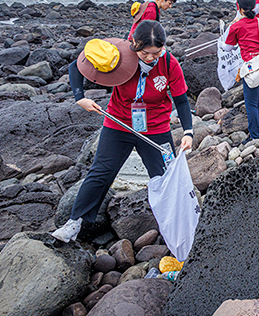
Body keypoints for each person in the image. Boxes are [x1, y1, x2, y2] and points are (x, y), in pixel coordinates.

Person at [53, 20, 194, 243]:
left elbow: (182, 101)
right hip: (118, 122)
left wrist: (188, 132)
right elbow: (76, 66)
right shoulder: (118, 56)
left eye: (155, 53)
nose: (150, 58)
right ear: (134, 44)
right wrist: (80, 98)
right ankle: (74, 223)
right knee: (101, 172)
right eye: (145, 53)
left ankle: (178, 228)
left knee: (166, 177)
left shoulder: (168, 63)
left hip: (155, 127)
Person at [221, 0, 259, 144]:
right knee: (256, 95)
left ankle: (255, 136)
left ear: (239, 8)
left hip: (254, 70)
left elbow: (227, 48)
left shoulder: (237, 26)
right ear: (254, 7)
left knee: (250, 102)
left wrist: (221, 43)